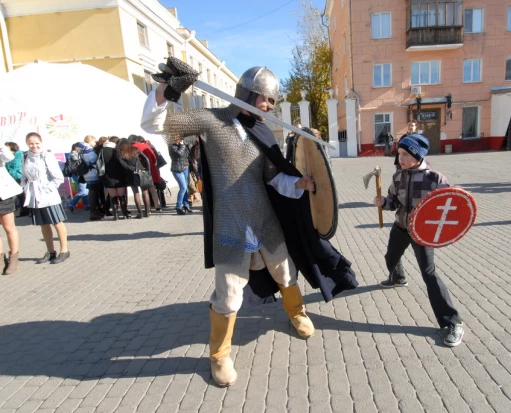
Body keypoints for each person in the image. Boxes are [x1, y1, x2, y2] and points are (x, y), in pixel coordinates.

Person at [142, 59, 357, 387]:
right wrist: (166, 90)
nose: (268, 105)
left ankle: (297, 313)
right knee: (228, 296)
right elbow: (154, 124)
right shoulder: (212, 120)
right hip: (230, 227)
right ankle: (219, 356)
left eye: (272, 101)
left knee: (286, 273)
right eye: (263, 98)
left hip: (264, 221)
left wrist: (298, 184)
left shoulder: (263, 130)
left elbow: (273, 177)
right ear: (245, 93)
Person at [373, 134, 464, 347]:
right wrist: (382, 202)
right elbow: (393, 203)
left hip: (422, 234)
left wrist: (458, 197)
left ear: (417, 154)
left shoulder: (435, 179)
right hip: (400, 227)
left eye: (405, 155)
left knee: (429, 274)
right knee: (391, 258)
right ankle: (398, 278)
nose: (400, 159)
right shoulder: (398, 177)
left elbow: (451, 206)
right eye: (399, 154)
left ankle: (452, 322)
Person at [21, 132, 70, 264]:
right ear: (27, 143)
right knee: (43, 223)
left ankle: (64, 250)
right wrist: (25, 188)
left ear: (41, 142)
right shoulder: (25, 156)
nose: (34, 146)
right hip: (34, 196)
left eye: (37, 143)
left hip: (48, 195)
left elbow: (58, 177)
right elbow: (24, 176)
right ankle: (50, 251)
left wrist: (47, 188)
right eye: (31, 143)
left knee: (57, 222)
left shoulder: (47, 155)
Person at [116, 138, 153, 218]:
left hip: (131, 174)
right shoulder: (135, 149)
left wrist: (133, 169)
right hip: (142, 172)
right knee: (145, 192)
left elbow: (124, 166)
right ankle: (147, 212)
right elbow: (146, 159)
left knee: (136, 193)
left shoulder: (121, 153)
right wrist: (147, 169)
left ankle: (140, 213)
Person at [0, 144, 22, 275]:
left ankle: (14, 258)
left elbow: (9, 156)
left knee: (9, 227)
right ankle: (1, 258)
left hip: (4, 195)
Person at [102, 136, 130, 220]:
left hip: (107, 175)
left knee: (112, 196)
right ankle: (125, 214)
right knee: (121, 195)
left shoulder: (102, 150)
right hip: (119, 175)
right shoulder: (117, 150)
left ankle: (115, 216)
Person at [132, 136, 162, 212]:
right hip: (151, 169)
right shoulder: (146, 146)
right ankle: (157, 206)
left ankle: (147, 208)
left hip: (142, 170)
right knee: (152, 189)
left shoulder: (134, 147)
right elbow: (154, 158)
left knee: (144, 190)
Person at [82, 136, 105, 220]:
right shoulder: (89, 150)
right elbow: (93, 161)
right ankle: (93, 212)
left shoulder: (82, 150)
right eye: (94, 141)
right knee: (93, 193)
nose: (95, 143)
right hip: (93, 174)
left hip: (87, 174)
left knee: (92, 193)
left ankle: (95, 211)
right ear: (90, 141)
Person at [168, 136, 192, 215]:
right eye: (179, 138)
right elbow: (179, 154)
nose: (181, 140)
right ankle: (178, 207)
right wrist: (182, 146)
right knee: (183, 187)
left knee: (185, 187)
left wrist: (186, 145)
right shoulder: (172, 146)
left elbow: (189, 152)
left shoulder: (183, 145)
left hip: (186, 167)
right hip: (177, 169)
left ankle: (186, 205)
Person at [4, 142, 27, 217]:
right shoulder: (9, 156)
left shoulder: (18, 154)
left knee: (21, 194)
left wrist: (10, 173)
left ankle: (25, 210)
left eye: (7, 147)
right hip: (12, 177)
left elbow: (16, 166)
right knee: (18, 195)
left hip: (18, 176)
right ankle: (23, 210)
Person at [65, 143, 90, 213]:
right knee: (83, 191)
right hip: (77, 174)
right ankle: (70, 204)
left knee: (85, 190)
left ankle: (87, 205)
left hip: (76, 174)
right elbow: (79, 163)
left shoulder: (72, 154)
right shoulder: (73, 154)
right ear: (76, 147)